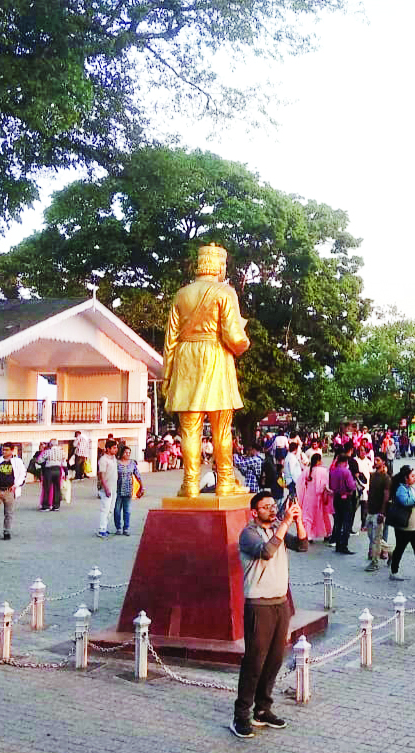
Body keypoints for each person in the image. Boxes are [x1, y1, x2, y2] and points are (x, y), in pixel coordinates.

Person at [164, 242, 251, 498]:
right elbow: (234, 337)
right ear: (219, 266)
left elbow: (170, 340)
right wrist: (245, 342)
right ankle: (224, 480)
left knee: (189, 429)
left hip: (186, 360)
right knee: (221, 427)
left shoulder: (181, 295)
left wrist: (167, 375)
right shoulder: (225, 293)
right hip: (215, 358)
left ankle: (190, 483)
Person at [231, 492, 307, 739]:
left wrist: (297, 520)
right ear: (254, 512)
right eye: (266, 507)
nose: (272, 510)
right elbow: (266, 552)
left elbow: (303, 546)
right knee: (254, 661)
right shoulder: (248, 534)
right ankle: (241, 715)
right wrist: (285, 523)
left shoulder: (278, 528)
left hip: (280, 604)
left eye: (273, 506)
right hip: (259, 605)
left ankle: (263, 710)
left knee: (275, 659)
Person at [0, 443, 26, 542]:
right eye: (3, 450)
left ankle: (7, 531)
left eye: (7, 450)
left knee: (8, 513)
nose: (4, 452)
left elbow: (22, 474)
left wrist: (16, 485)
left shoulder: (17, 462)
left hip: (9, 491)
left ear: (12, 450)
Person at [364, 455, 391, 572]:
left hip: (378, 512)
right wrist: (366, 508)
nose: (375, 461)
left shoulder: (386, 478)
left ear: (383, 462)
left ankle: (375, 562)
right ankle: (391, 551)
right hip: (371, 510)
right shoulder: (373, 476)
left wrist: (382, 512)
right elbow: (370, 493)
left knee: (376, 538)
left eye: (378, 460)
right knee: (372, 537)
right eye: (375, 459)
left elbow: (386, 496)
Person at [328, 452, 358, 554]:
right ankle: (344, 545)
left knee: (338, 521)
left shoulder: (333, 471)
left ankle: (337, 544)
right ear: (345, 462)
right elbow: (351, 486)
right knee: (346, 522)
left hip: (336, 497)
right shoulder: (346, 472)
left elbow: (331, 486)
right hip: (345, 498)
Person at [299, 453, 331, 542]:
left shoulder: (307, 470)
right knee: (323, 516)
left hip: (308, 496)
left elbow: (300, 484)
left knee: (308, 517)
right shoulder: (323, 471)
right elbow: (325, 485)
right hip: (319, 497)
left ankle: (308, 535)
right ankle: (327, 533)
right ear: (318, 461)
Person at [113, 446, 142, 536]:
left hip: (128, 488)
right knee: (117, 510)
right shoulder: (116, 463)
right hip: (117, 489)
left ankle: (126, 528)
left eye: (129, 453)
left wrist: (142, 486)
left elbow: (137, 475)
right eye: (126, 452)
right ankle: (118, 527)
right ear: (121, 453)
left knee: (127, 510)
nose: (127, 454)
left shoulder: (132, 463)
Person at [96, 440, 119, 538]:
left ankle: (105, 527)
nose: (116, 450)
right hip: (106, 488)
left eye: (116, 447)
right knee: (105, 509)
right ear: (108, 449)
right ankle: (101, 529)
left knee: (111, 509)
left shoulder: (114, 458)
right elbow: (101, 475)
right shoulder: (103, 460)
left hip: (114, 487)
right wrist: (106, 488)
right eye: (113, 448)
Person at [40, 439, 66, 511]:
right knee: (57, 488)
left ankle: (46, 505)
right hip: (58, 470)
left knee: (47, 488)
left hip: (49, 470)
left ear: (50, 444)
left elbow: (40, 460)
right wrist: (66, 473)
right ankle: (56, 505)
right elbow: (64, 463)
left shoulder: (47, 451)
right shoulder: (61, 452)